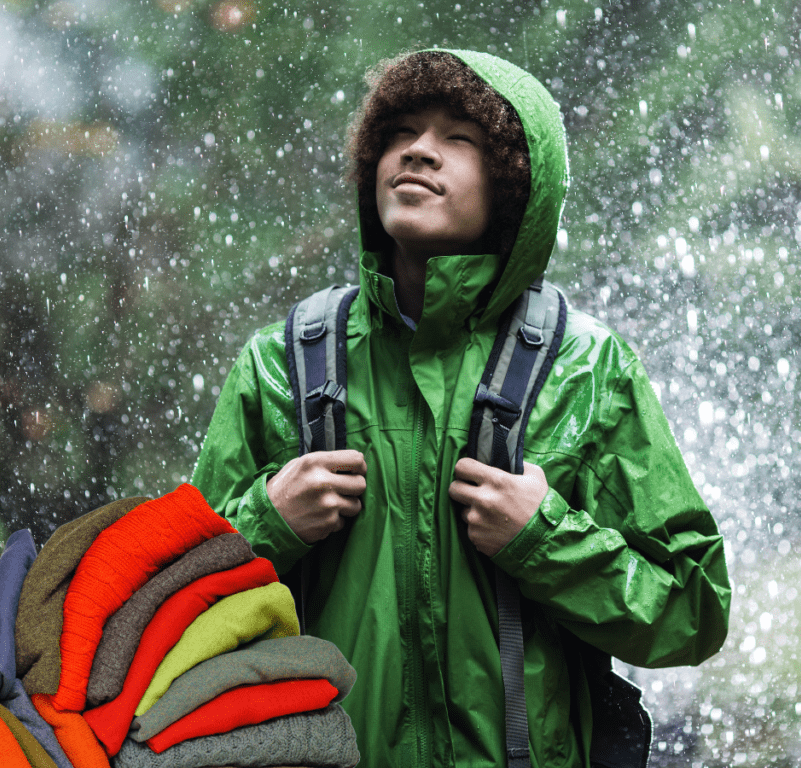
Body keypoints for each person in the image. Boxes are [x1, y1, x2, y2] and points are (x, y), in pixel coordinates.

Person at [192, 49, 731, 767]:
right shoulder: (280, 365)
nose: (418, 150)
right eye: (402, 131)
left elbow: (692, 613)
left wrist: (543, 540)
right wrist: (265, 525)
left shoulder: (588, 370)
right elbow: (170, 615)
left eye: (459, 138)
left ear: (513, 185)